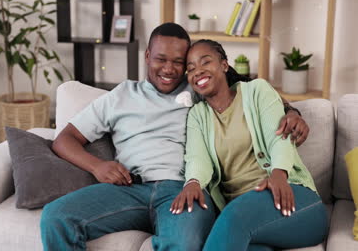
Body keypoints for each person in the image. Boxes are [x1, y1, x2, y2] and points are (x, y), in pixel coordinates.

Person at [40, 23, 309, 251]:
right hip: (128, 189)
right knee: (56, 216)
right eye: (161, 59)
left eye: (178, 62)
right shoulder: (120, 96)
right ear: (147, 56)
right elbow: (64, 139)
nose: (169, 69)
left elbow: (248, 92)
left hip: (183, 190)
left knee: (184, 241)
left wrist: (292, 111)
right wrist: (97, 166)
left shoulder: (199, 89)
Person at [170, 39, 328, 251]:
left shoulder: (256, 91)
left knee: (234, 217)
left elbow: (278, 136)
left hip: (294, 199)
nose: (198, 71)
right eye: (191, 69)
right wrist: (193, 183)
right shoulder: (198, 116)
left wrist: (279, 175)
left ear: (224, 65)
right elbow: (198, 158)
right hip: (246, 217)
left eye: (205, 62)